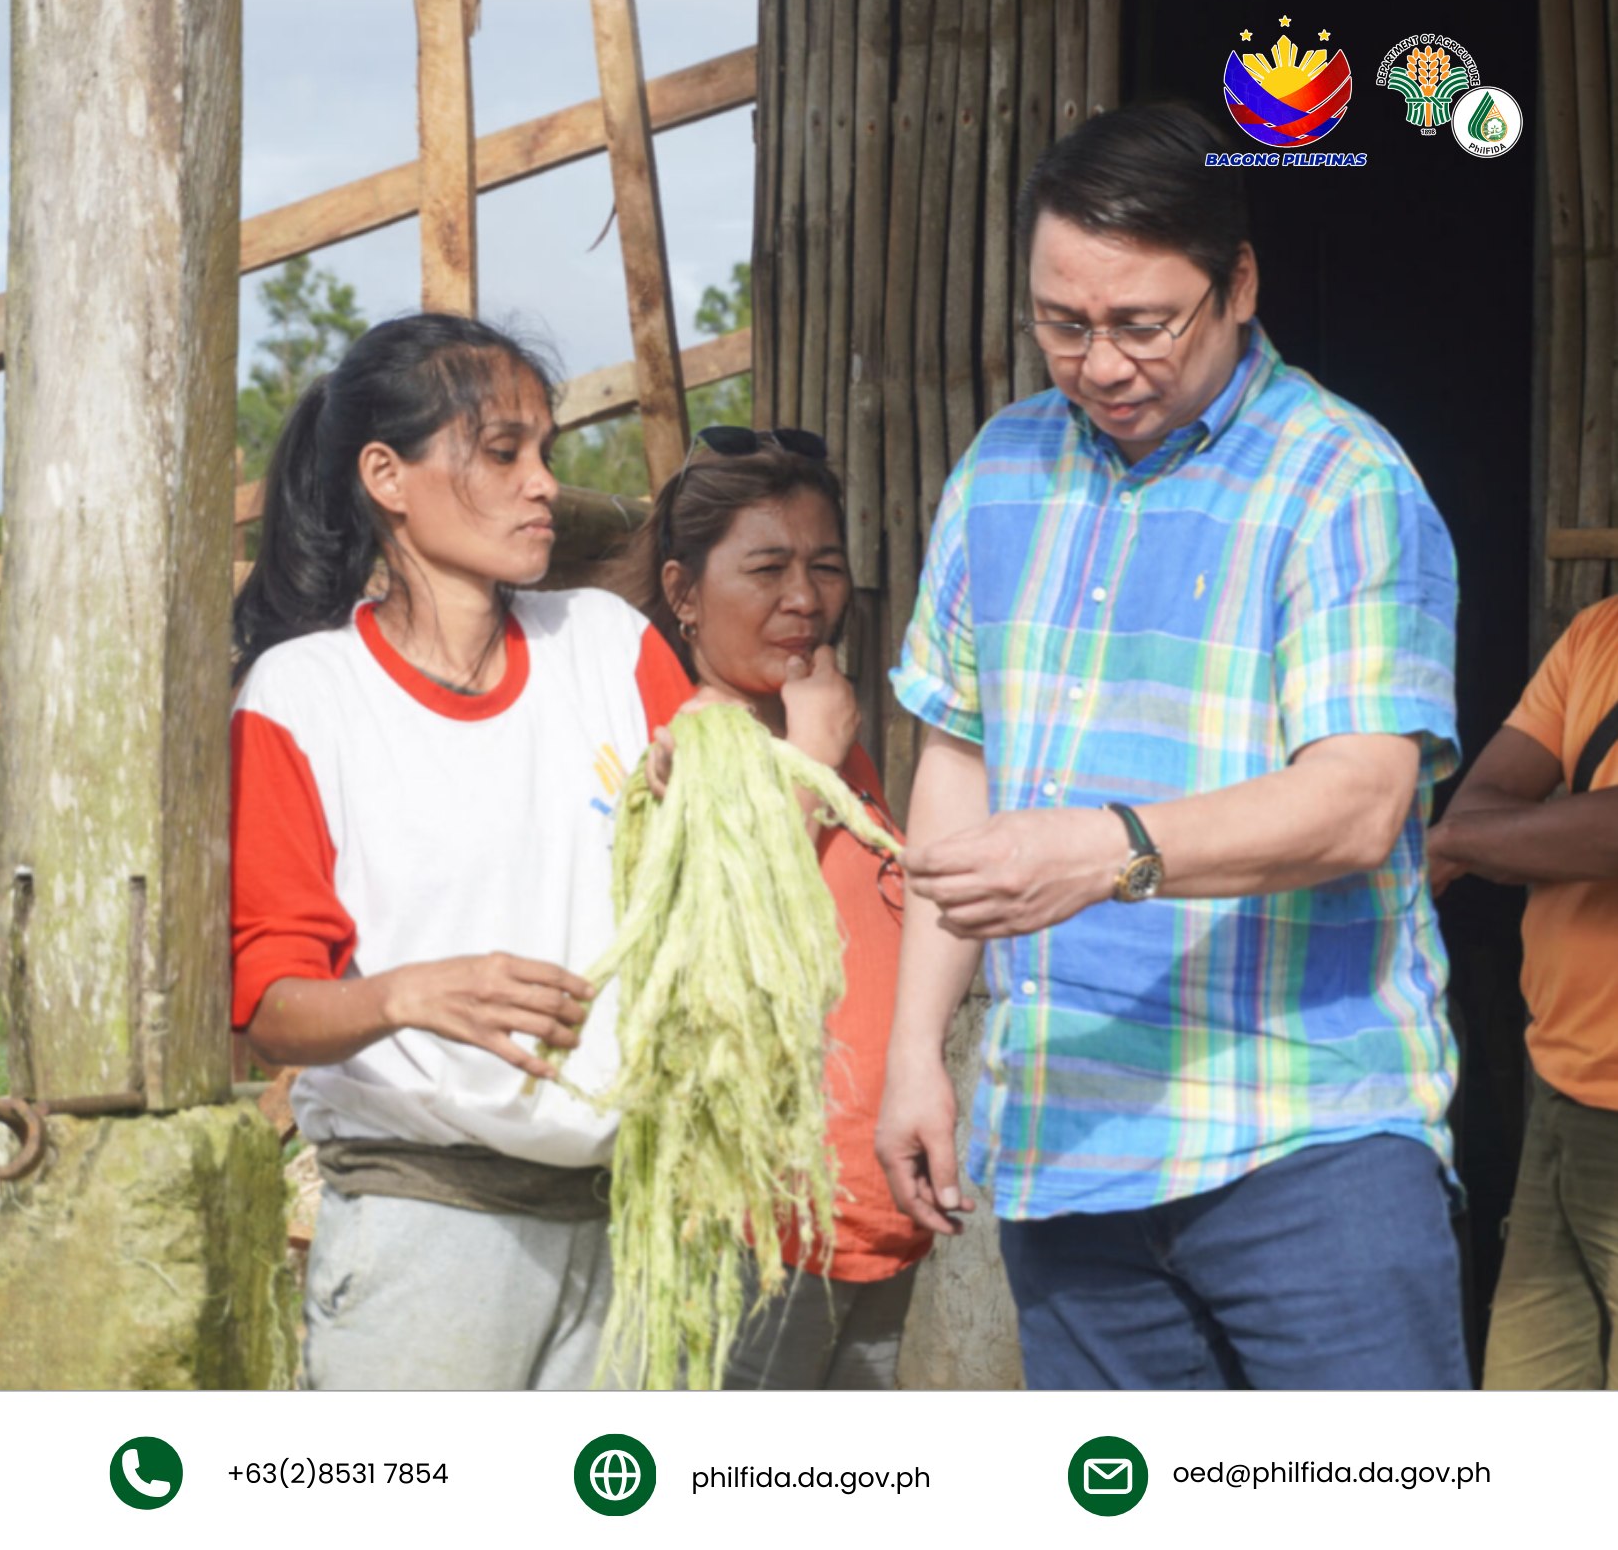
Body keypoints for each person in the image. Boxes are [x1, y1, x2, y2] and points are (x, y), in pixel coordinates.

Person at [876, 104, 1469, 1390]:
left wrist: (1109, 853)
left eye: (1145, 324)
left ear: (1239, 284)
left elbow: (1361, 804)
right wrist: (918, 1046)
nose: (1099, 364)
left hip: (1306, 1136)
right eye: (1062, 323)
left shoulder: (1344, 484)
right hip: (1064, 1136)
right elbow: (959, 761)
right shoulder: (1001, 469)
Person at [230, 313, 690, 1390]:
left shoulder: (611, 647)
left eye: (545, 453)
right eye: (501, 453)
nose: (542, 485)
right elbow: (268, 1006)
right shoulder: (304, 697)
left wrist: (717, 780)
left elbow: (719, 821)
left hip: (626, 1225)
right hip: (423, 1229)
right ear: (387, 475)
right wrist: (407, 995)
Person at [607, 424, 931, 1388]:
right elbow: (700, 932)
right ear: (681, 594)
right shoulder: (692, 742)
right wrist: (816, 759)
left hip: (867, 1218)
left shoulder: (810, 721)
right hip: (758, 1229)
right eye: (768, 568)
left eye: (826, 566)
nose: (805, 598)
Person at [1428, 593, 1618, 1389]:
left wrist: (1459, 841)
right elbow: (1480, 799)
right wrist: (1483, 832)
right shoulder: (1599, 632)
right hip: (1564, 1090)